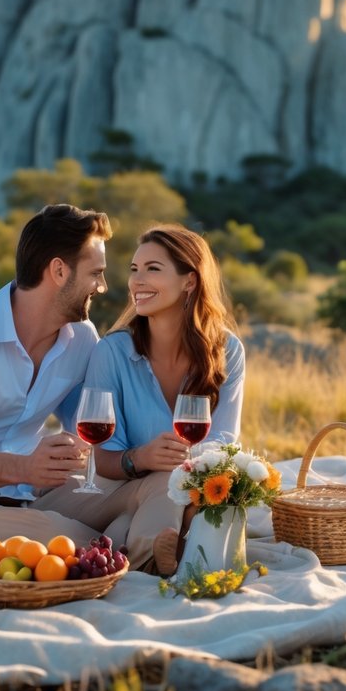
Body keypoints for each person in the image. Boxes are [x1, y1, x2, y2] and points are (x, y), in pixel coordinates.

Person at [0, 204, 162, 552]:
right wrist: (24, 468)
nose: (102, 287)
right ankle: (107, 543)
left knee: (146, 491)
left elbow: (94, 426)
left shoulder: (82, 338)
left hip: (38, 494)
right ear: (59, 270)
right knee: (61, 534)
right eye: (96, 273)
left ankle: (111, 539)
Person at [79, 224, 245, 574]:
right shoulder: (112, 352)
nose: (137, 281)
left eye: (153, 269)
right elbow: (105, 461)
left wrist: (188, 464)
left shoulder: (227, 350)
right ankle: (158, 556)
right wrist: (142, 457)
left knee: (132, 523)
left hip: (189, 485)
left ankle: (145, 550)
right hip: (121, 490)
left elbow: (224, 442)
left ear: (190, 281)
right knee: (161, 488)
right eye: (134, 270)